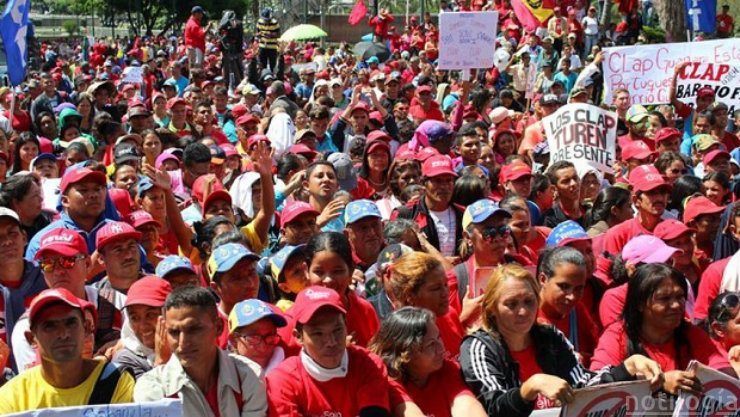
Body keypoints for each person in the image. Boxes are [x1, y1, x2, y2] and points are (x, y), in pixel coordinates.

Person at [459, 264, 662, 416]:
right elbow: (492, 408)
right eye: (511, 304)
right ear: (492, 309)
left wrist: (627, 368)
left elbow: (583, 384)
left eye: (529, 302)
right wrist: (529, 389)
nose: (522, 311)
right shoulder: (478, 347)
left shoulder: (550, 337)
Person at [592, 264, 734, 394]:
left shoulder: (690, 334)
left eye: (680, 297)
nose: (676, 305)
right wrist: (660, 383)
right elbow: (595, 389)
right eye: (664, 299)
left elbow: (723, 374)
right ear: (640, 304)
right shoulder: (617, 336)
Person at [133, 286, 268, 416]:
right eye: (174, 332)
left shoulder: (248, 375)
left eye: (194, 329)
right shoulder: (152, 388)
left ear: (219, 327)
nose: (183, 342)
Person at [0, 288, 134, 413]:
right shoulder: (12, 396)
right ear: (31, 339)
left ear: (87, 328)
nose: (63, 334)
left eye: (70, 323)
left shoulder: (116, 380)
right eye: (50, 326)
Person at [266, 286, 392, 417]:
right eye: (318, 333)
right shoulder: (282, 381)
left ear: (346, 325)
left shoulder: (369, 364)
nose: (331, 342)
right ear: (298, 336)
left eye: (337, 330)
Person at [369, 307, 488, 417]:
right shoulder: (390, 381)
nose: (441, 348)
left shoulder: (446, 368)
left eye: (439, 337)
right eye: (431, 344)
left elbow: (466, 405)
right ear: (406, 354)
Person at [537, 246, 600, 367]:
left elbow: (598, 353)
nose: (572, 297)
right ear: (543, 279)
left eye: (578, 289)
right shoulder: (527, 316)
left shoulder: (577, 311)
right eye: (564, 287)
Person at [395, 155, 463, 257]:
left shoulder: (463, 214)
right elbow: (393, 254)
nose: (444, 186)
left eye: (448, 180)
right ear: (423, 183)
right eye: (437, 181)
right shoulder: (406, 214)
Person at [602, 165, 671, 255]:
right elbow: (605, 268)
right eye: (651, 193)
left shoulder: (675, 232)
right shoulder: (618, 235)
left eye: (663, 192)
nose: (659, 198)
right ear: (636, 200)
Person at [113, 276, 172, 379]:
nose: (143, 326)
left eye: (150, 315)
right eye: (134, 318)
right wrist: (161, 361)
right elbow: (151, 394)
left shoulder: (188, 345)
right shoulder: (125, 361)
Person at [208, 242, 262, 348]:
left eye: (251, 272)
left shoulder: (277, 316)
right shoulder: (209, 330)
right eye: (237, 278)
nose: (250, 284)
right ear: (216, 288)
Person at [228, 298, 287, 375]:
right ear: (234, 340)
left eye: (269, 337)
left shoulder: (286, 373)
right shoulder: (222, 378)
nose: (263, 348)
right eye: (254, 338)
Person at [344, 199, 385, 271]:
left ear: (383, 226)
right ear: (347, 234)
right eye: (363, 228)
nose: (371, 233)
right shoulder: (342, 264)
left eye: (375, 225)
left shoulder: (397, 256)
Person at [256, 8, 280, 73]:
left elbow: (278, 35)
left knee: (273, 65)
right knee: (262, 65)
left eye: (268, 20)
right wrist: (259, 34)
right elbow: (256, 33)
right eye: (265, 19)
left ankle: (273, 77)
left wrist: (270, 34)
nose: (266, 21)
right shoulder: (259, 22)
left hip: (272, 47)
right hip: (262, 46)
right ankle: (263, 77)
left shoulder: (275, 22)